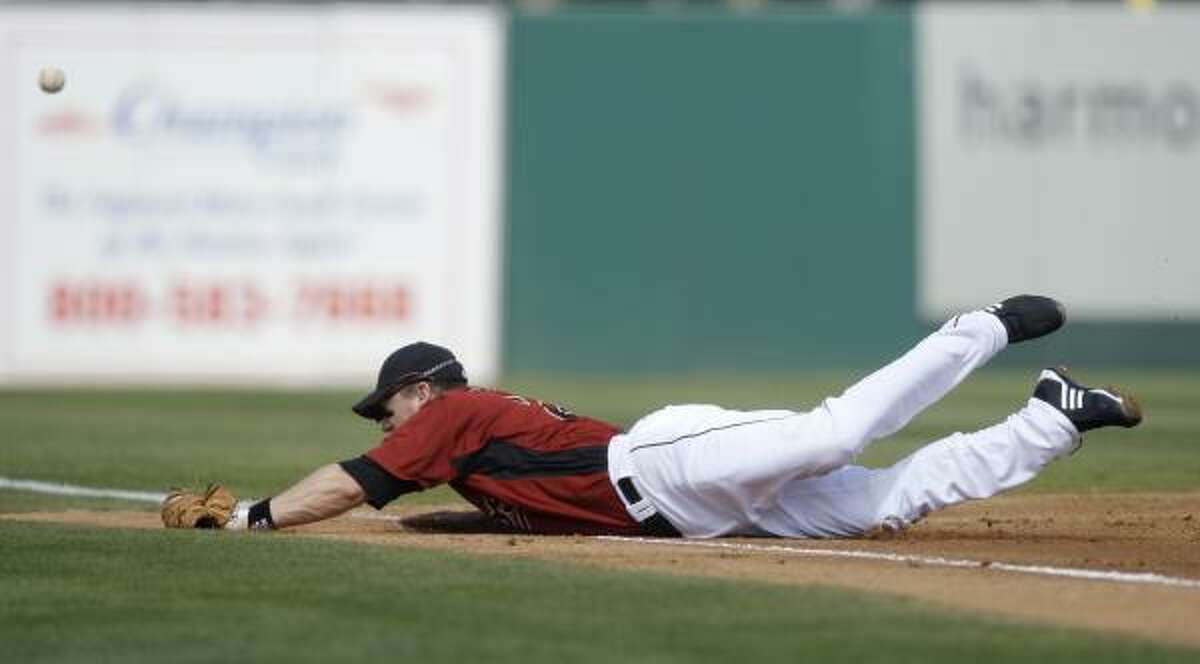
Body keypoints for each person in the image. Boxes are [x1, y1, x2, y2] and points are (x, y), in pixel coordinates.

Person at [203, 295, 1143, 538]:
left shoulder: (450, 414)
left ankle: (981, 328)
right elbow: (505, 497)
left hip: (661, 468)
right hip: (695, 512)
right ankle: (1053, 418)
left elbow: (350, 484)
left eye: (390, 404)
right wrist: (455, 518)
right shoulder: (466, 455)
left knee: (833, 434)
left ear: (425, 390)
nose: (387, 422)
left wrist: (254, 515)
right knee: (882, 503)